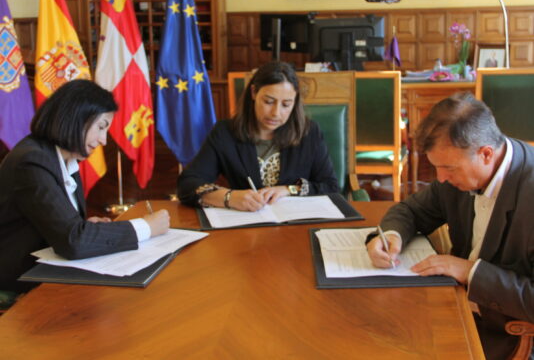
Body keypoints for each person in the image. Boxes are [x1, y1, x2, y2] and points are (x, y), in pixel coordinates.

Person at [366, 92, 533, 360]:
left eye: (448, 168)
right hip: (448, 307)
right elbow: (411, 210)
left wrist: (470, 272)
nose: (441, 179)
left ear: (486, 154)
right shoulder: (459, 172)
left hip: (503, 335)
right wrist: (392, 236)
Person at [0, 79, 169, 293]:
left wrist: (86, 227)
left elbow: (66, 229)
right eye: (101, 127)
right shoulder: (32, 161)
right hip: (18, 281)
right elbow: (74, 241)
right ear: (75, 118)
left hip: (46, 269)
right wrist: (146, 227)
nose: (103, 140)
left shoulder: (64, 159)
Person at [177, 61, 339, 210]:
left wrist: (289, 189)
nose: (276, 113)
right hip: (247, 224)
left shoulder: (309, 132)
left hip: (297, 225)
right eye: (268, 102)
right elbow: (187, 184)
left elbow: (330, 187)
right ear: (254, 92)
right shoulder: (225, 133)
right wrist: (229, 197)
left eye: (286, 105)